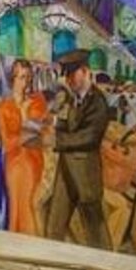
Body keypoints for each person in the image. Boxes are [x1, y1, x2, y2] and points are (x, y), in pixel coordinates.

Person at [42, 49, 112, 249]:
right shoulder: (73, 99)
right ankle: (50, 262)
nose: (68, 79)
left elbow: (89, 137)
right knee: (55, 222)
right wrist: (54, 122)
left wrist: (56, 141)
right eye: (66, 75)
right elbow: (70, 125)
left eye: (71, 74)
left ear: (84, 71)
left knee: (95, 229)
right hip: (66, 171)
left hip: (85, 175)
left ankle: (104, 269)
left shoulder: (98, 102)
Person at [0, 59, 47, 235]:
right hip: (14, 163)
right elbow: (7, 143)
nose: (24, 83)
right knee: (17, 208)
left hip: (35, 161)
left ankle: (28, 245)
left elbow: (45, 132)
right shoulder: (3, 108)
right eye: (20, 77)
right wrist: (27, 129)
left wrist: (28, 130)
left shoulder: (37, 102)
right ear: (12, 79)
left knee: (28, 206)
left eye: (27, 77)